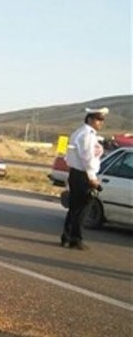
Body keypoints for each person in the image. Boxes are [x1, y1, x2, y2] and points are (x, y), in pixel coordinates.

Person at [60, 107, 109, 250]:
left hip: (77, 173)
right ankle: (75, 238)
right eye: (98, 119)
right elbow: (87, 158)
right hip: (83, 175)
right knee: (82, 209)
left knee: (75, 208)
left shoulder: (80, 132)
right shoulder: (87, 135)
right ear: (90, 119)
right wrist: (92, 178)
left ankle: (67, 237)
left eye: (102, 120)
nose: (100, 123)